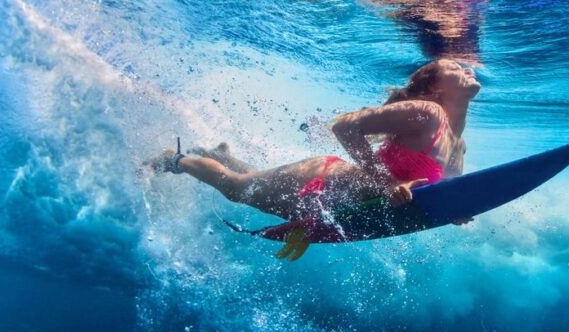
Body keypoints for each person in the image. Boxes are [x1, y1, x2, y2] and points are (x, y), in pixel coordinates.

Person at [150, 59, 480, 223]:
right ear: (435, 88)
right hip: (324, 183)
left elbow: (431, 194)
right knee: (237, 189)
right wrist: (384, 183)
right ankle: (174, 160)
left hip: (346, 202)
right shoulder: (427, 112)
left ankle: (220, 153)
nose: (468, 69)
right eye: (455, 67)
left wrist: (456, 213)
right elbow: (345, 127)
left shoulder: (457, 145)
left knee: (250, 182)